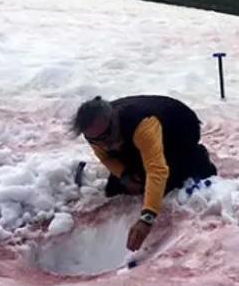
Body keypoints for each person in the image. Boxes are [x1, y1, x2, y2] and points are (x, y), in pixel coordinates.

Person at [71, 95, 217, 251]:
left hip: (179, 128)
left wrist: (147, 218)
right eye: (94, 140)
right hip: (131, 138)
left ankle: (197, 158)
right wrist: (124, 175)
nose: (102, 145)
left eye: (105, 137)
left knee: (168, 183)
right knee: (116, 188)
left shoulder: (142, 124)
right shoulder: (95, 133)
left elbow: (157, 171)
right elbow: (106, 157)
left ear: (113, 122)